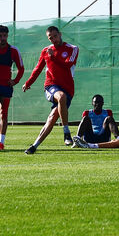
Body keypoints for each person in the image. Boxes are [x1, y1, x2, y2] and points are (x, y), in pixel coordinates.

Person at [22, 26, 79, 154]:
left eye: (55, 36)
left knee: (52, 117)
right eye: (50, 38)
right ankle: (66, 132)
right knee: (61, 97)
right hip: (51, 86)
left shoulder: (72, 49)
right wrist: (28, 82)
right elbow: (38, 68)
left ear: (60, 34)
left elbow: (68, 64)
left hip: (68, 88)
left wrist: (54, 57)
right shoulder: (46, 51)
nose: (53, 39)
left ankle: (34, 146)